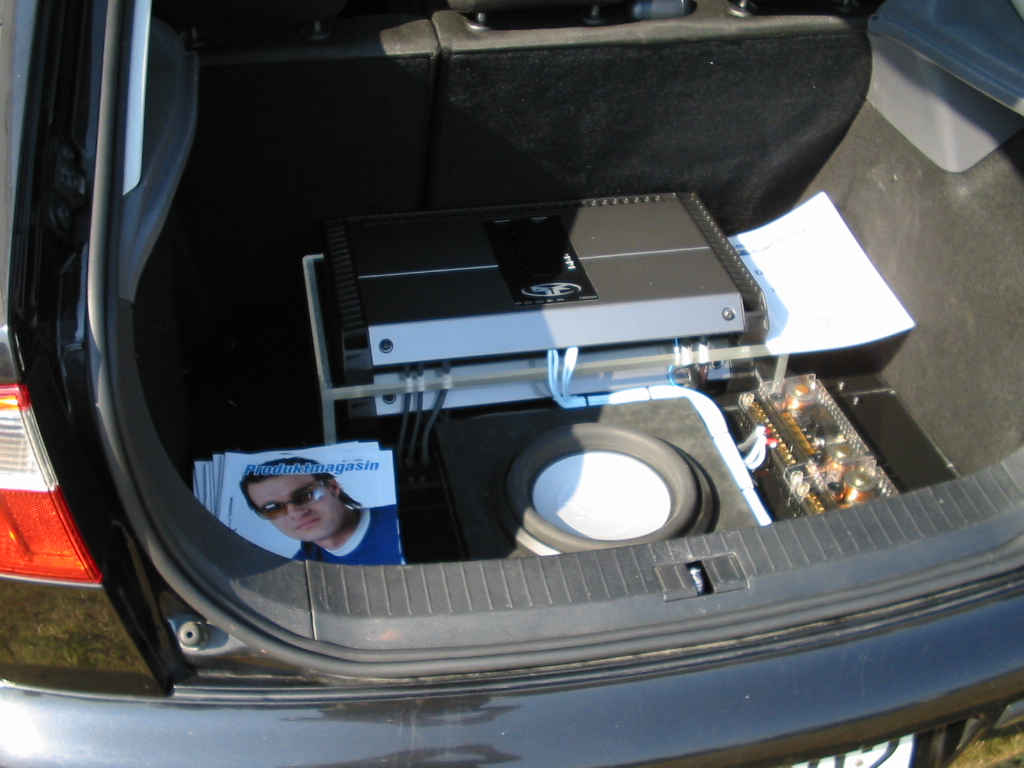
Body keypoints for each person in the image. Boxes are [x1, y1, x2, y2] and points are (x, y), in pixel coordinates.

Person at [240, 456, 403, 565]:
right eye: (274, 508)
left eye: (305, 495)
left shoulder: (400, 521)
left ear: (332, 487)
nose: (295, 513)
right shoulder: (302, 572)